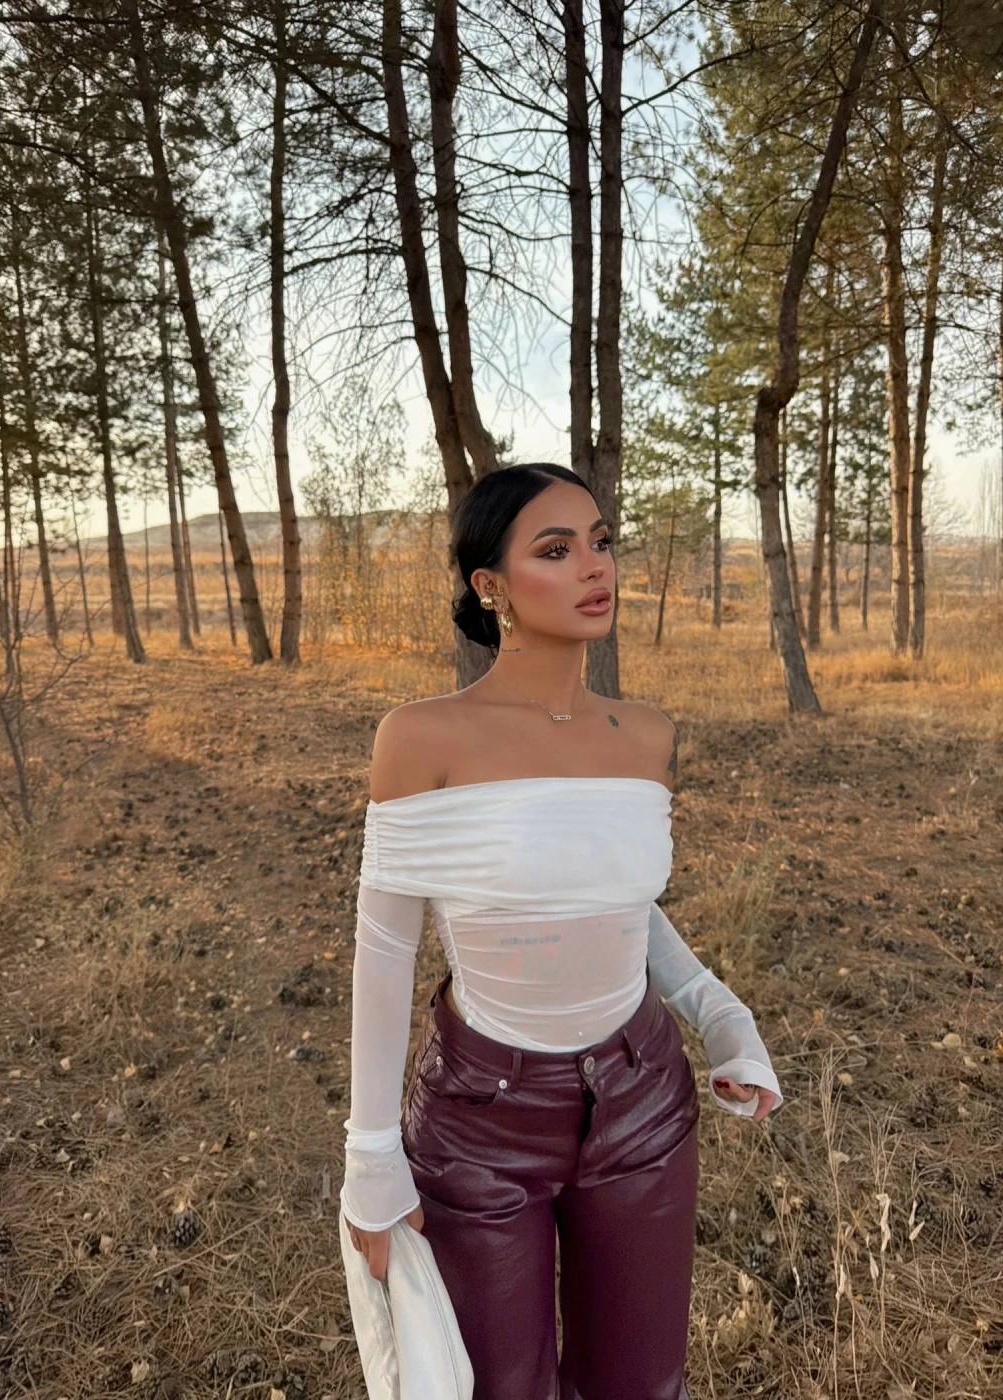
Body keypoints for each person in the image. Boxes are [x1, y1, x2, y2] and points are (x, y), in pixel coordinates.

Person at [339, 464, 785, 1400]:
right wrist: (370, 1158)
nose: (594, 565)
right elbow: (385, 948)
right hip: (481, 1119)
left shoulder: (646, 736)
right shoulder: (421, 738)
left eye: (601, 541)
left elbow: (616, 903)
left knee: (640, 1385)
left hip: (644, 1100)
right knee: (494, 1388)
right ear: (490, 585)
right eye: (555, 548)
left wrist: (722, 1016)